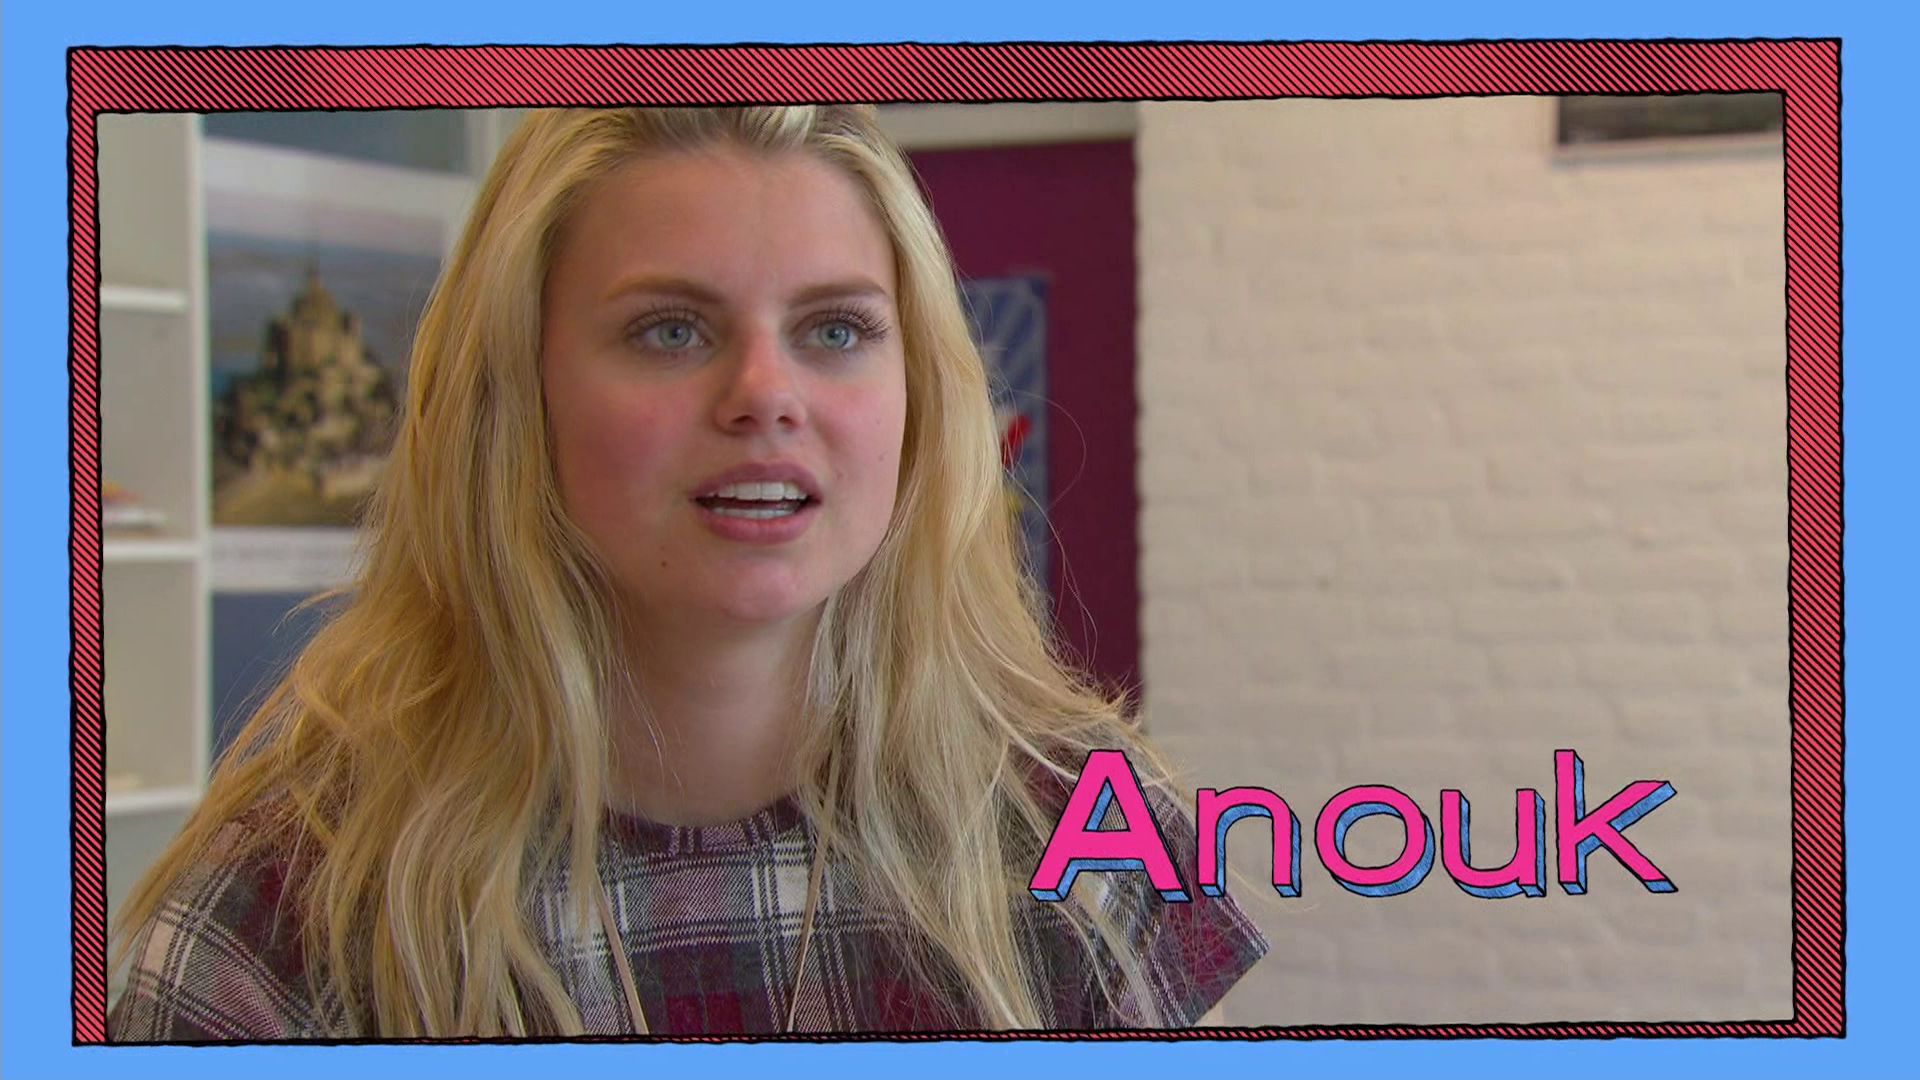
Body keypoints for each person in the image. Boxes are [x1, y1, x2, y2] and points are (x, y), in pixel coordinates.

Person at [108, 105, 1267, 1040]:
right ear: (517, 396)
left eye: (836, 330)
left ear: (920, 394)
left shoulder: (1084, 830)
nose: (765, 395)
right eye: (671, 329)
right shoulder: (287, 920)